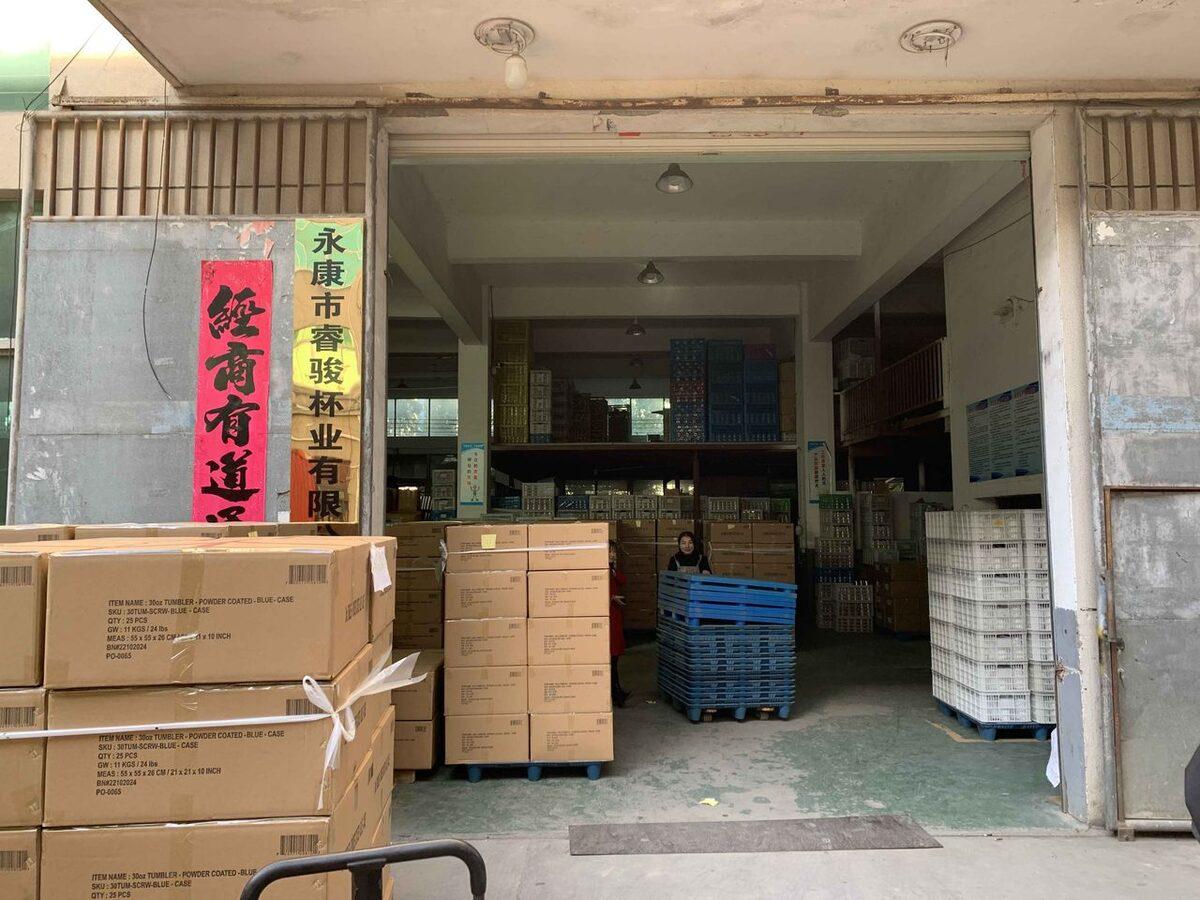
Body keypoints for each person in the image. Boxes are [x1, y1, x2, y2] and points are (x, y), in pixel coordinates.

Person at [608, 540, 630, 708]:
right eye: (609, 552)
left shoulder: (611, 570)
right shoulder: (598, 570)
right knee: (611, 658)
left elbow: (623, 580)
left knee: (614, 658)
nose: (612, 554)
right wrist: (611, 598)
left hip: (615, 615)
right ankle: (616, 694)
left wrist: (613, 569)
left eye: (614, 552)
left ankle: (617, 691)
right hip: (607, 616)